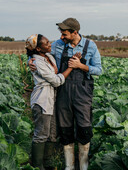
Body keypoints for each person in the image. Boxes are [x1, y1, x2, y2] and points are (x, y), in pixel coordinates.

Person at [29, 18, 102, 170]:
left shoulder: (90, 46)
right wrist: (30, 60)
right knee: (65, 127)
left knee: (84, 127)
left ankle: (83, 165)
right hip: (63, 92)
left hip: (82, 93)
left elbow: (98, 70)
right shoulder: (58, 45)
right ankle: (69, 166)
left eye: (65, 34)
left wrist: (81, 66)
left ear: (75, 32)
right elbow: (39, 54)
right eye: (61, 34)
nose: (61, 37)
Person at [25, 34, 80, 170]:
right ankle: (37, 165)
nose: (50, 44)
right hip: (42, 101)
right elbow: (56, 81)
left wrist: (28, 60)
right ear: (38, 49)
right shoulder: (37, 62)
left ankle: (48, 162)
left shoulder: (47, 56)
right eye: (46, 43)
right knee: (41, 134)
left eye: (49, 42)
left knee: (51, 133)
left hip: (52, 100)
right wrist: (72, 67)